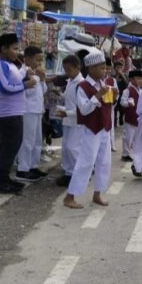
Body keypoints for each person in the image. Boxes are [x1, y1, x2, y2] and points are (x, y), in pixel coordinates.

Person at [63, 50, 114, 209]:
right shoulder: (82, 86)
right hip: (91, 129)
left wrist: (113, 96)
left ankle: (97, 193)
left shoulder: (102, 83)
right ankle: (70, 196)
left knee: (104, 163)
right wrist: (98, 95)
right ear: (91, 69)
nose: (104, 71)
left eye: (104, 67)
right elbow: (84, 109)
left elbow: (107, 105)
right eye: (101, 68)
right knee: (86, 162)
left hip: (104, 128)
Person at [0, 33, 37, 194]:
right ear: (4, 49)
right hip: (7, 113)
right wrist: (27, 85)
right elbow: (6, 87)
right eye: (15, 49)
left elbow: (15, 83)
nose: (17, 52)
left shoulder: (11, 66)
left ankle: (4, 178)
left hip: (16, 112)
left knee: (12, 146)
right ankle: (0, 182)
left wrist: (26, 78)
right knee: (9, 147)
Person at [15, 46, 48, 182]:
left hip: (37, 110)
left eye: (41, 61)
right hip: (27, 110)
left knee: (37, 141)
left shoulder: (35, 72)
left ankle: (33, 166)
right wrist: (31, 79)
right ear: (27, 58)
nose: (39, 63)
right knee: (27, 141)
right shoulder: (22, 72)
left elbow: (43, 90)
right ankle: (22, 169)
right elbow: (25, 91)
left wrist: (42, 79)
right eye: (37, 60)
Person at [55, 54, 84, 187]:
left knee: (73, 149)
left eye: (69, 70)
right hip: (68, 120)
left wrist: (66, 112)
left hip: (76, 121)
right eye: (65, 70)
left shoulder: (81, 84)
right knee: (66, 148)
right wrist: (59, 95)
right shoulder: (70, 82)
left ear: (78, 68)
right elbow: (69, 99)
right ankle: (68, 173)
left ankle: (77, 174)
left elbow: (81, 108)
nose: (67, 73)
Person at [119, 69, 142, 162]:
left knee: (136, 137)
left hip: (138, 117)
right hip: (130, 117)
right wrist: (128, 103)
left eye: (141, 79)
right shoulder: (127, 91)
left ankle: (132, 152)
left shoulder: (141, 90)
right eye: (137, 78)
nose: (140, 81)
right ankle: (125, 153)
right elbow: (122, 102)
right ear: (131, 80)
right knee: (128, 136)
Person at [104, 57, 120, 152]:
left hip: (110, 105)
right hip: (101, 105)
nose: (107, 71)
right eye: (106, 68)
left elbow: (117, 92)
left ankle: (112, 144)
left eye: (109, 69)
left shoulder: (112, 80)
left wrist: (113, 102)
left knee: (111, 125)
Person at [113, 59, 128, 127]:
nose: (119, 69)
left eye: (120, 67)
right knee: (115, 109)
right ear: (114, 68)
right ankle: (115, 123)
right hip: (115, 96)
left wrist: (122, 75)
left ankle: (121, 121)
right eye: (117, 67)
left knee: (122, 110)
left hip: (122, 95)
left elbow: (127, 84)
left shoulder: (124, 75)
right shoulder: (113, 76)